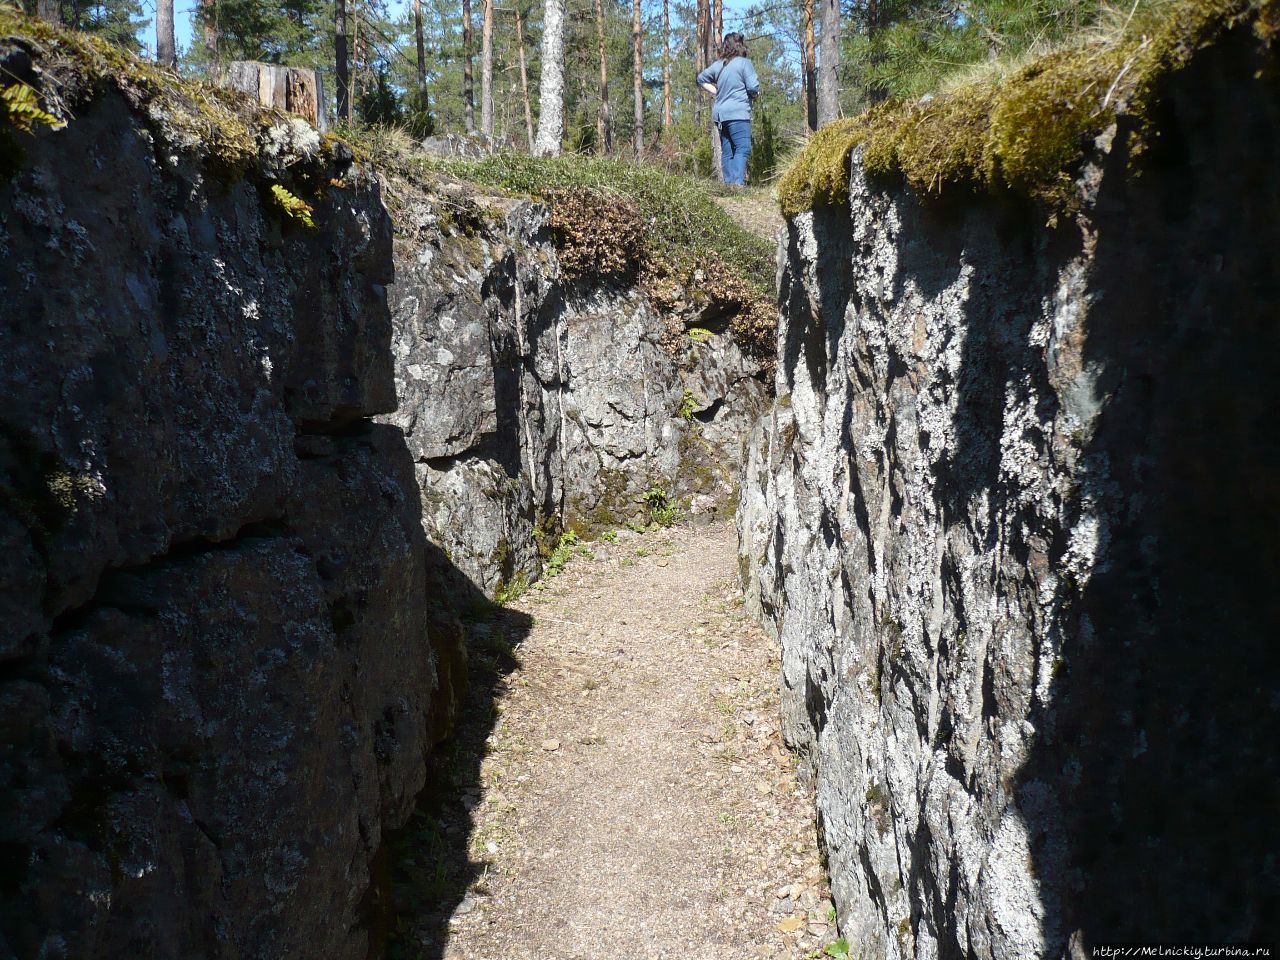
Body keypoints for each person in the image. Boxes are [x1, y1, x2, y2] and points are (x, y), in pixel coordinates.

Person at [696, 32, 759, 187]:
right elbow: (753, 86)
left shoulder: (719, 65)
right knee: (743, 148)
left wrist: (716, 91)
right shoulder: (744, 63)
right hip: (738, 113)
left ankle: (729, 185)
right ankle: (737, 184)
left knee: (728, 150)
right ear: (741, 46)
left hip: (721, 115)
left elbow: (700, 79)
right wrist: (756, 94)